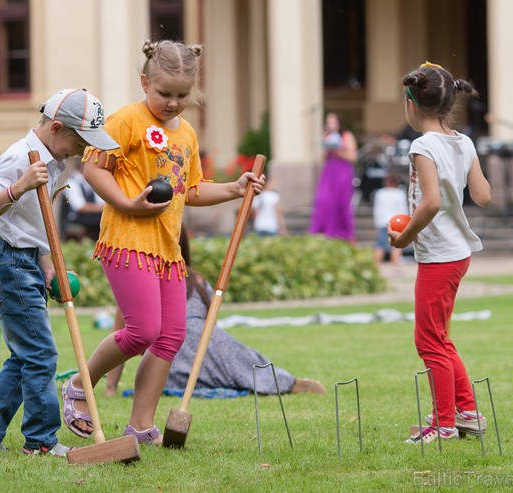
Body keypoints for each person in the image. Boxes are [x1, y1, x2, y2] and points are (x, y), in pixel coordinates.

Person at [62, 40, 265, 446]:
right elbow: (94, 167)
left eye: (182, 95)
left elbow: (189, 190)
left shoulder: (186, 133)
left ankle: (140, 425)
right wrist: (126, 203)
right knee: (141, 330)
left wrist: (235, 188)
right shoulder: (126, 122)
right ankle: (78, 386)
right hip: (126, 240)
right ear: (144, 83)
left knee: (170, 335)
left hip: (168, 250)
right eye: (164, 94)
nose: (173, 103)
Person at [0, 88, 120, 457]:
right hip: (6, 262)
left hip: (28, 260)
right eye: (80, 140)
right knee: (42, 354)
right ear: (56, 128)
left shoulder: (53, 162)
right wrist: (19, 187)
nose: (83, 150)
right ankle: (41, 441)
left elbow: (36, 225)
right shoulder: (19, 157)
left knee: (26, 354)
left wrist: (49, 266)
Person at [388, 62, 491, 444]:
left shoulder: (422, 145)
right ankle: (466, 412)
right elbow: (483, 196)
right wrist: (462, 170)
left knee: (428, 341)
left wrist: (402, 239)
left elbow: (429, 203)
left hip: (439, 255)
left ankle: (443, 424)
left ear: (412, 103)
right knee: (440, 337)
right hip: (458, 252)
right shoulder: (462, 142)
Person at [105, 230, 325, 396]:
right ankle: (285, 382)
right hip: (201, 343)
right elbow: (213, 326)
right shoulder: (197, 279)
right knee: (241, 362)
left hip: (171, 359)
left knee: (208, 370)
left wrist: (110, 388)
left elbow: (120, 334)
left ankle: (277, 382)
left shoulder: (143, 281)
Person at [309, 112, 358, 242]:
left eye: (333, 122)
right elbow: (322, 158)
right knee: (324, 200)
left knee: (341, 202)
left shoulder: (346, 136)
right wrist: (326, 145)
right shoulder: (327, 136)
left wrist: (337, 150)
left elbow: (353, 157)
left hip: (342, 172)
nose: (330, 124)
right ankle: (325, 231)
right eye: (328, 122)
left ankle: (344, 233)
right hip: (329, 172)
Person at [62, 159, 105, 240]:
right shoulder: (71, 182)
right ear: (83, 166)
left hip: (93, 220)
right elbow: (80, 207)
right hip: (77, 220)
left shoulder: (92, 181)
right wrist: (103, 208)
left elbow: (101, 201)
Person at [372, 171, 408, 267]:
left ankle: (376, 265)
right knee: (397, 244)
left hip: (383, 222)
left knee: (380, 245)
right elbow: (403, 210)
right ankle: (396, 266)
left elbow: (377, 210)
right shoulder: (400, 193)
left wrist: (376, 223)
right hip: (396, 222)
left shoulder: (380, 193)